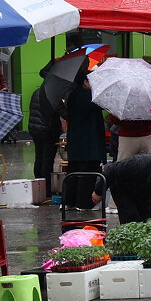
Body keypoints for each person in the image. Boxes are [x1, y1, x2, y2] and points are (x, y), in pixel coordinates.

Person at [62, 73, 108, 215]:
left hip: (76, 140)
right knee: (87, 173)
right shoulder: (90, 98)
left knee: (74, 171)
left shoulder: (73, 95)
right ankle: (84, 203)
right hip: (90, 142)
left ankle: (69, 201)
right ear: (85, 82)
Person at [28, 84, 59, 196]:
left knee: (39, 158)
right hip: (48, 131)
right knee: (47, 160)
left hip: (35, 130)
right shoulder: (52, 94)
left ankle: (38, 185)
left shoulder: (37, 92)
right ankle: (46, 189)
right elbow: (56, 112)